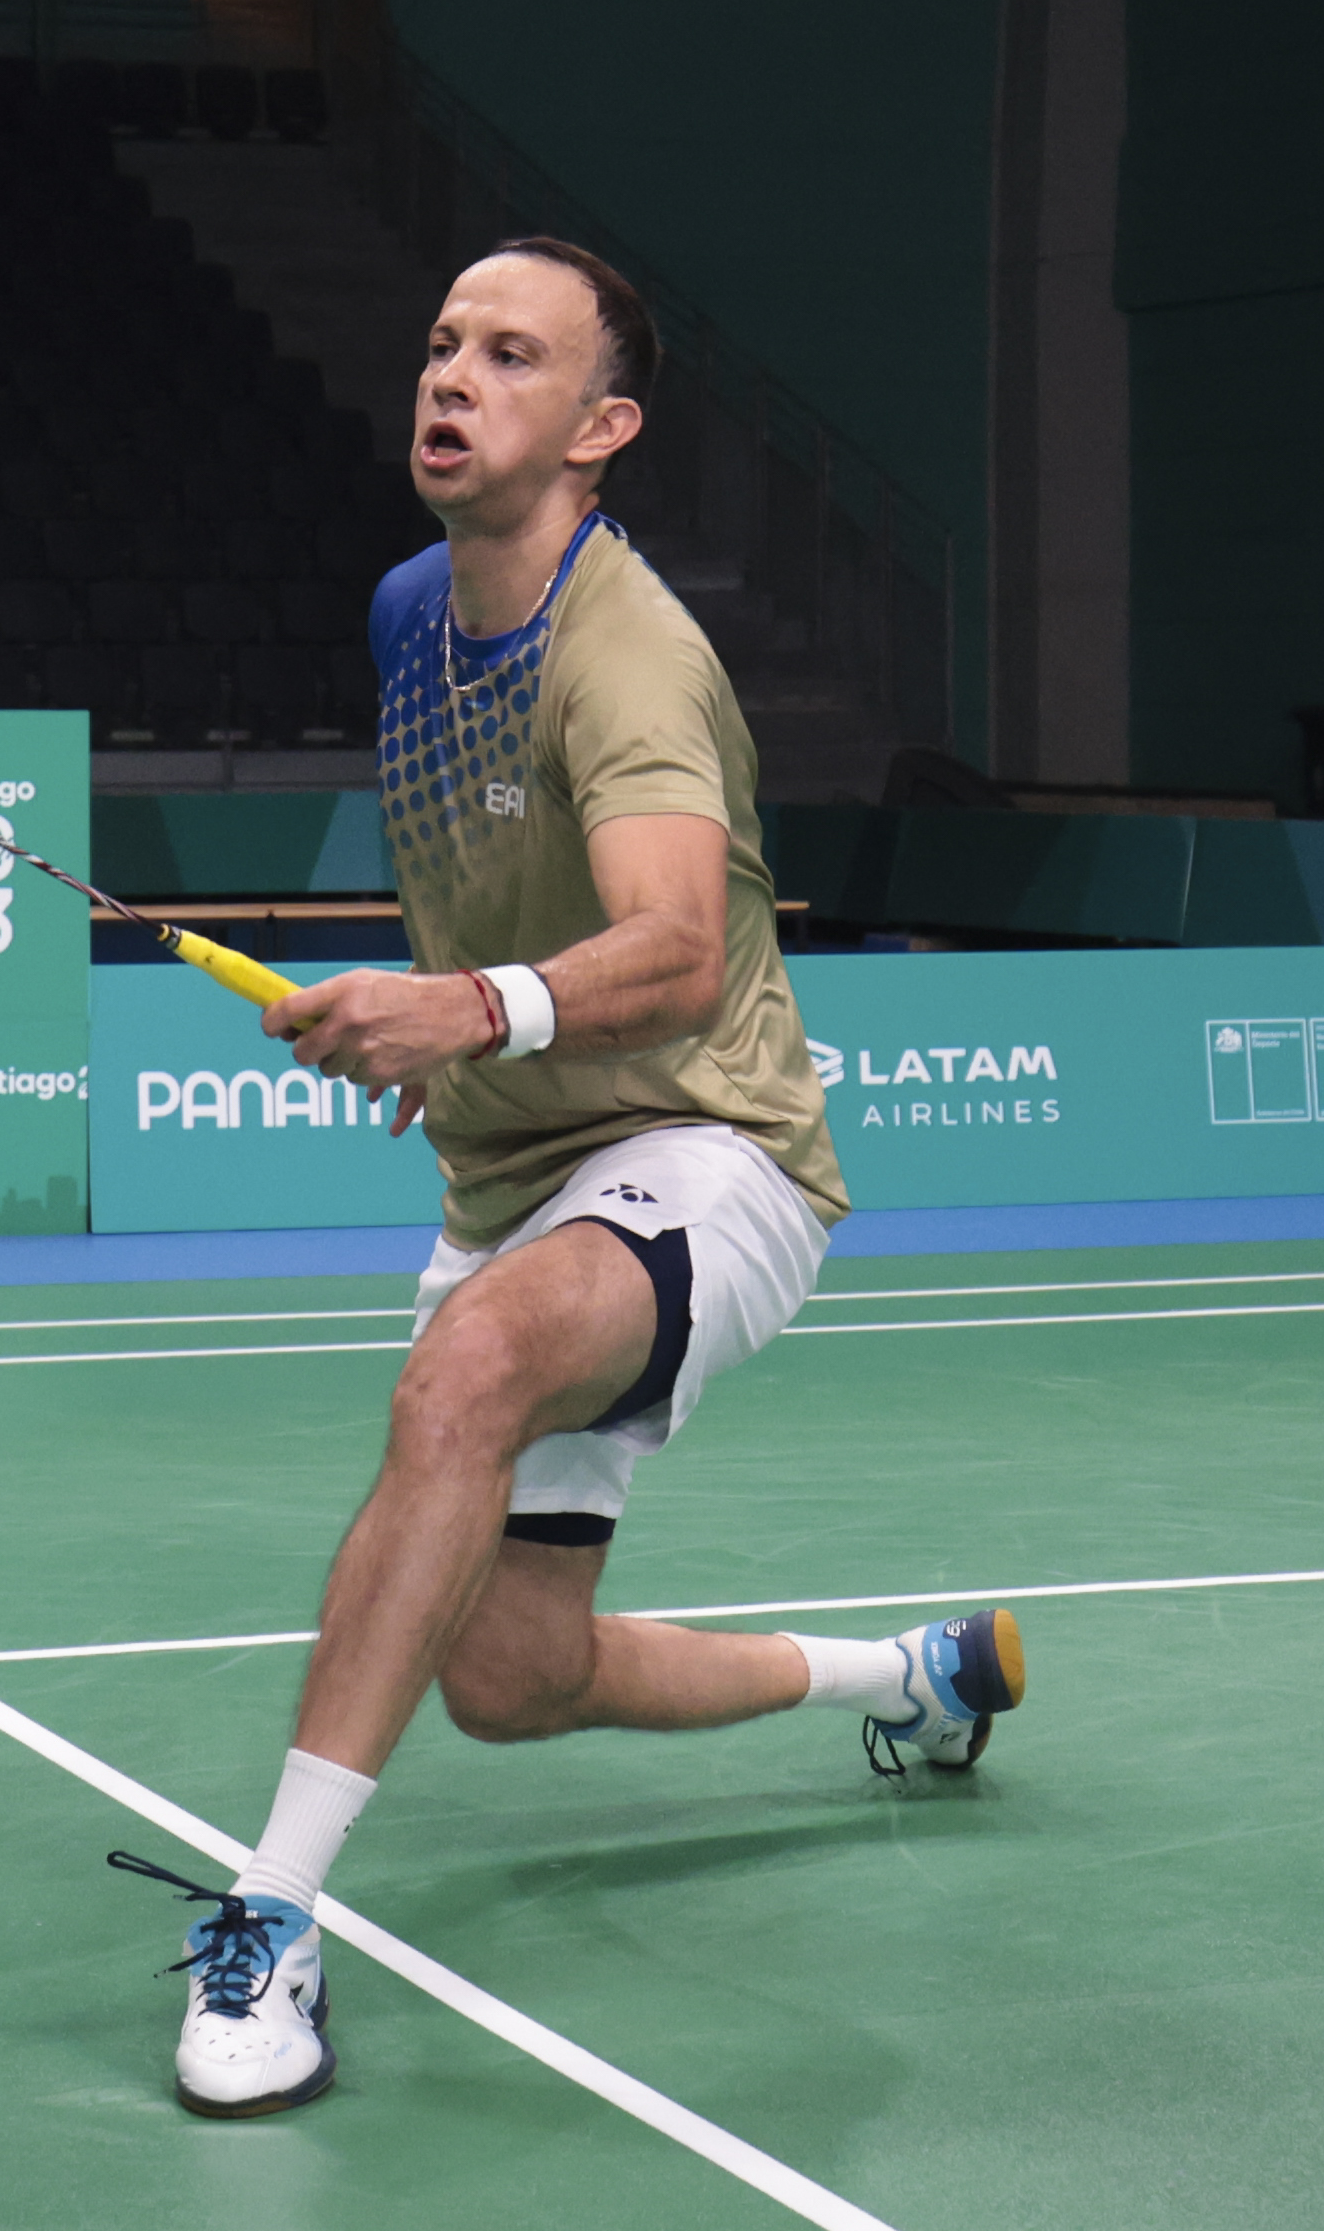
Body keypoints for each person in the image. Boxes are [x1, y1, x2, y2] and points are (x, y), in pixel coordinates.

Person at [126, 238, 1028, 2121]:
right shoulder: (407, 608)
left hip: (708, 1149)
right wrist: (441, 1036)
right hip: (518, 1171)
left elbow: (677, 946)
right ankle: (907, 1673)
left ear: (600, 427)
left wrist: (466, 1007)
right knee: (510, 1679)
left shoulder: (630, 653)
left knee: (457, 1377)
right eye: (440, 342)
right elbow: (483, 871)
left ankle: (270, 1916)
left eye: (510, 356)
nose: (450, 376)